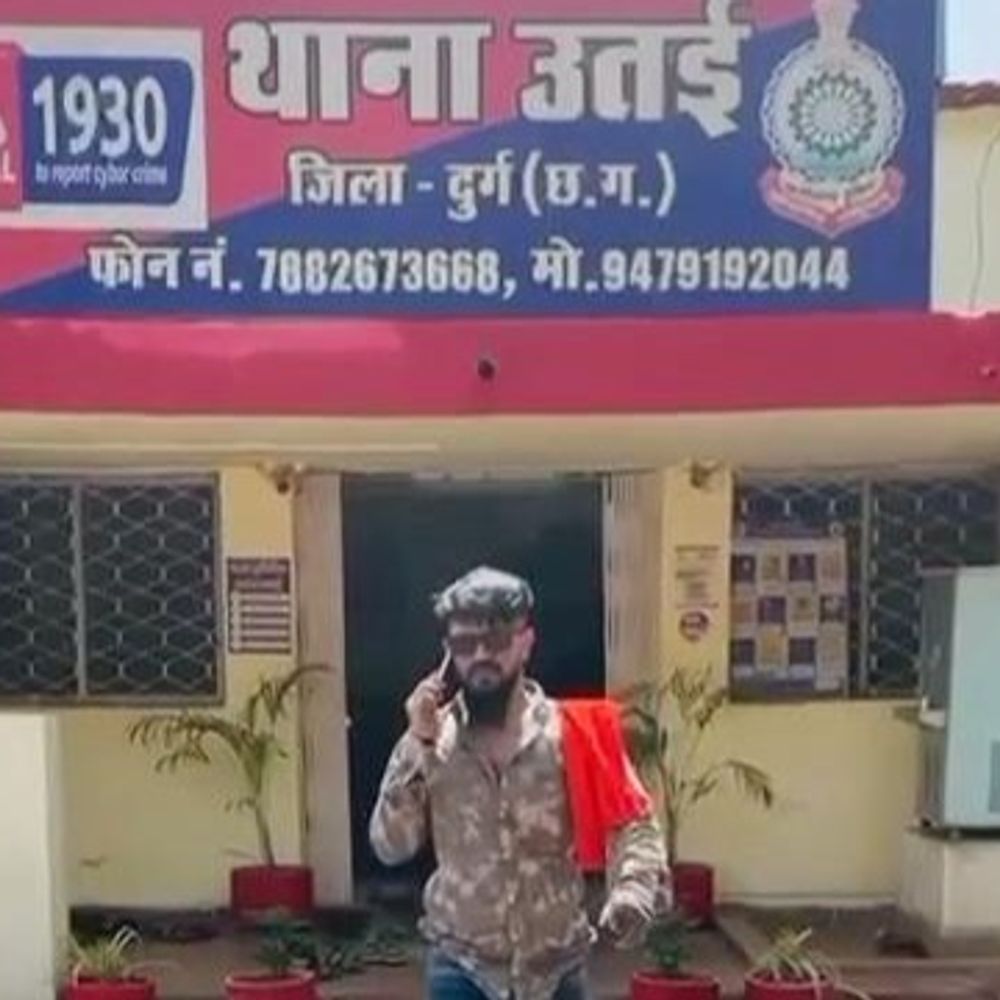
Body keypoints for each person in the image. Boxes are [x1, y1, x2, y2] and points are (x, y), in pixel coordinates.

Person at [369, 566, 668, 1000]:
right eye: (464, 644)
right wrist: (417, 742)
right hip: (462, 969)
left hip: (557, 971)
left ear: (525, 642)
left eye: (496, 641)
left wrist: (632, 892)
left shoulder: (574, 733)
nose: (480, 655)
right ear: (448, 652)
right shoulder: (431, 740)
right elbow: (390, 845)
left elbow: (633, 822)